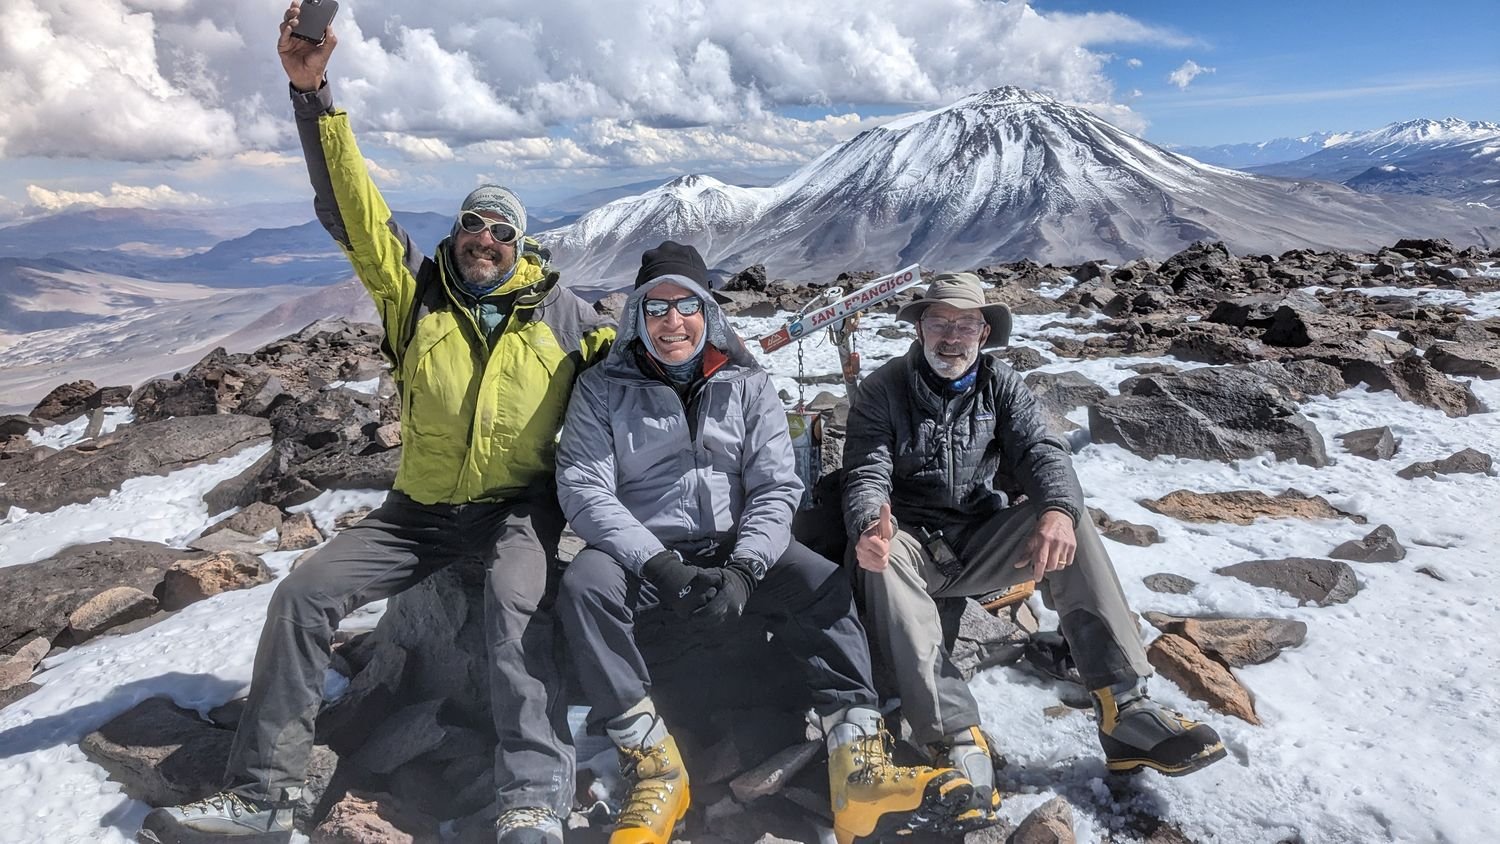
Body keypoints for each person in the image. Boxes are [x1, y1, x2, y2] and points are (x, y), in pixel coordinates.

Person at [137, 6, 615, 844]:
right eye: (472, 223)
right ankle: (264, 793)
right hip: (419, 512)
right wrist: (312, 93)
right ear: (456, 232)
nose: (484, 239)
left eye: (501, 229)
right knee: (301, 594)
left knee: (513, 610)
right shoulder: (415, 294)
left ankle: (533, 798)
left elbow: (649, 364)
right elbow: (354, 207)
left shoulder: (569, 317)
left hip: (517, 510)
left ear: (522, 245)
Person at [552, 242, 996, 844]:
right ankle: (654, 767)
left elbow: (774, 484)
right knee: (585, 585)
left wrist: (743, 570)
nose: (672, 322)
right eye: (656, 308)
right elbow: (585, 488)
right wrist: (658, 565)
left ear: (709, 312)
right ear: (637, 315)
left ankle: (857, 758)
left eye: (687, 306)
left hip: (738, 547)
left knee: (822, 584)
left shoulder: (746, 382)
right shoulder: (603, 388)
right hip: (645, 554)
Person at [842, 272, 1226, 810]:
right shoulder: (884, 388)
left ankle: (1124, 706)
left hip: (981, 540)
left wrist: (1059, 511)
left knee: (1071, 519)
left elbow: (1044, 451)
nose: (950, 337)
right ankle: (950, 734)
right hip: (911, 542)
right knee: (883, 559)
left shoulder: (1002, 385)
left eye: (965, 325)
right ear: (919, 328)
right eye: (938, 323)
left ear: (984, 331)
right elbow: (865, 468)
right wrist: (868, 524)